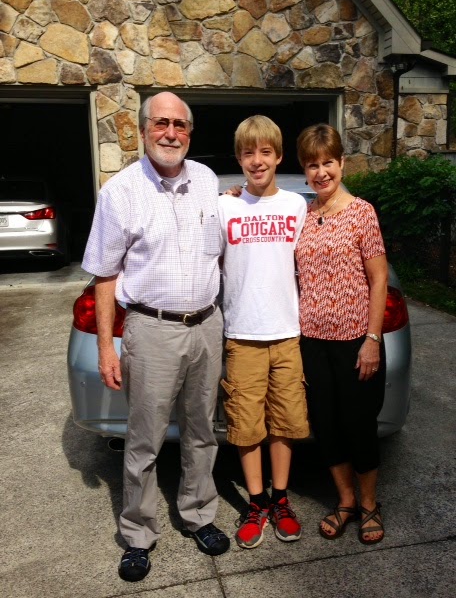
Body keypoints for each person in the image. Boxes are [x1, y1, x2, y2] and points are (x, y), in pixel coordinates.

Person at [82, 92, 229, 583]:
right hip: (151, 330)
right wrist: (106, 346)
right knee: (144, 440)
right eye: (161, 123)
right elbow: (105, 275)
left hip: (206, 325)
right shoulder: (120, 192)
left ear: (190, 132)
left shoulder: (207, 181)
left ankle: (198, 514)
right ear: (143, 130)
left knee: (202, 431)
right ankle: (139, 535)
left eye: (180, 125)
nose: (171, 133)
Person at [218, 115, 310, 549]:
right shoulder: (224, 207)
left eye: (265, 152)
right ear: (239, 159)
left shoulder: (296, 206)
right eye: (248, 153)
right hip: (242, 335)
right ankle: (256, 503)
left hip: (287, 333)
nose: (257, 161)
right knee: (246, 424)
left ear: (278, 157)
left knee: (285, 423)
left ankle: (281, 500)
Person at [295, 123, 388, 545]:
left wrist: (373, 339)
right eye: (312, 165)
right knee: (326, 426)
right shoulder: (302, 215)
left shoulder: (361, 212)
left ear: (342, 163)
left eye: (328, 162)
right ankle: (346, 501)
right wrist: (237, 193)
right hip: (312, 341)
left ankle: (369, 504)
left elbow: (379, 279)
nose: (321, 172)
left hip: (355, 341)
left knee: (359, 425)